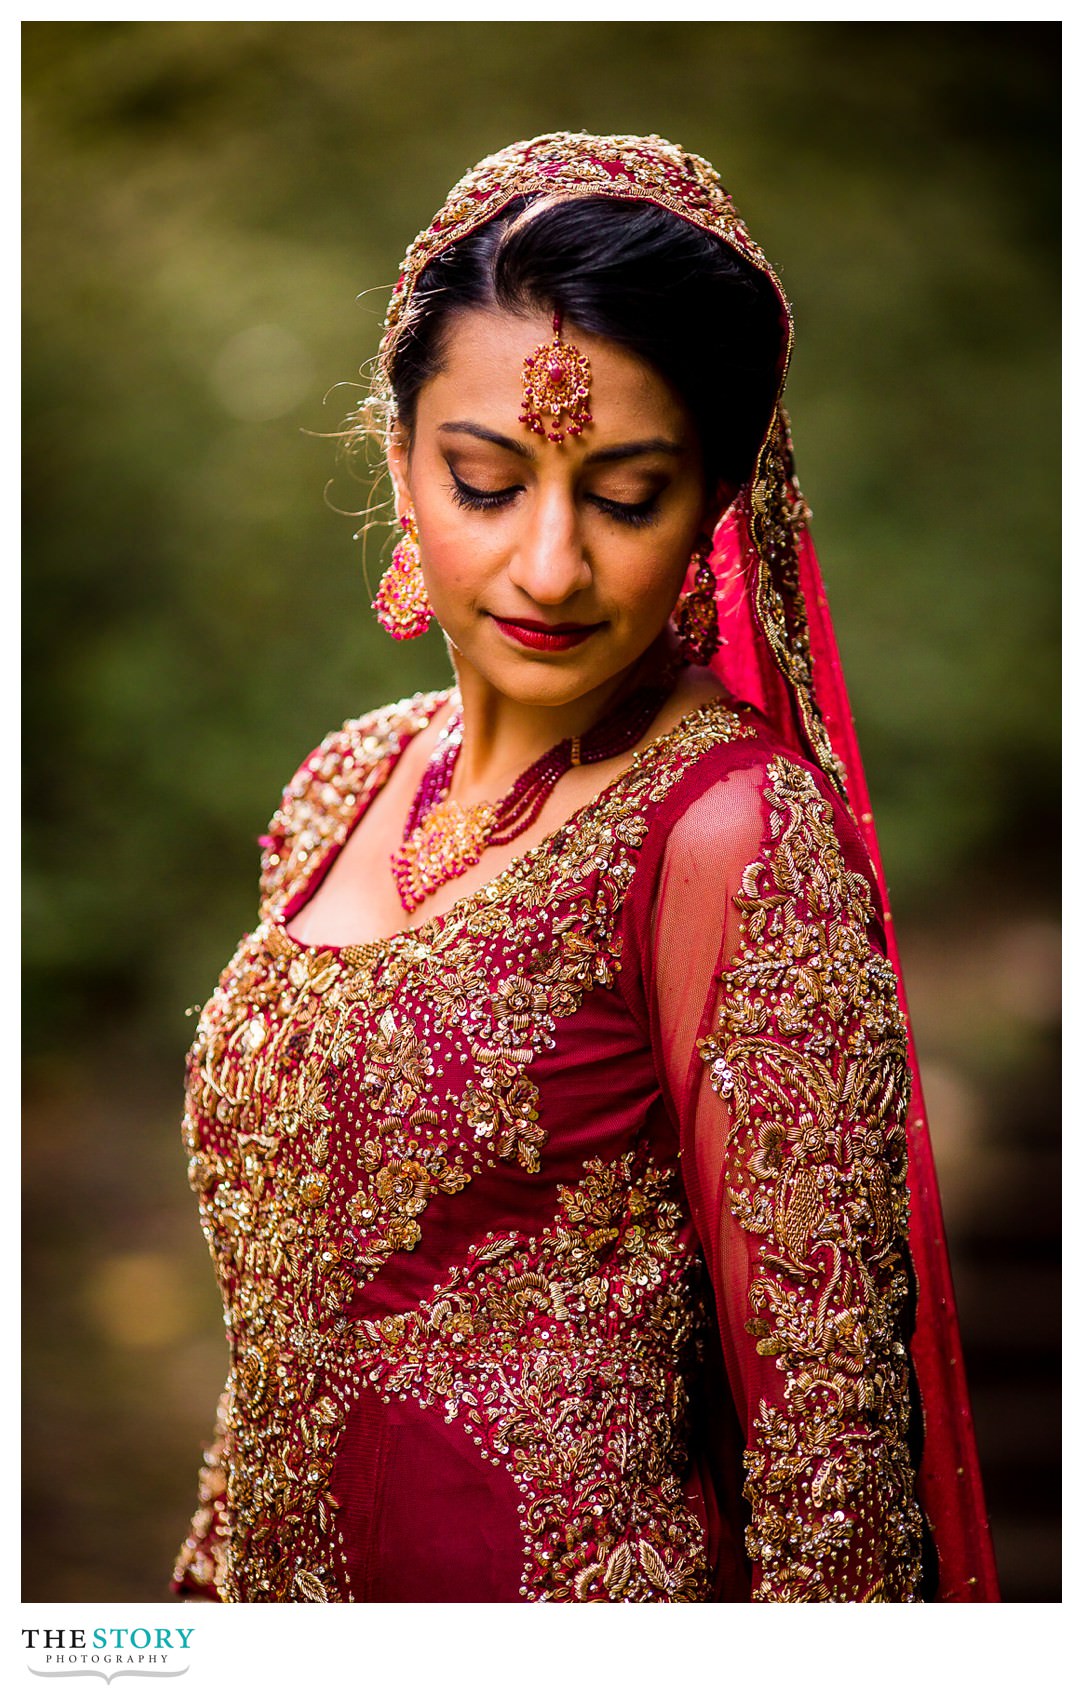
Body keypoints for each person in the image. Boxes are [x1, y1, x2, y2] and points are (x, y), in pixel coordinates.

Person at [171, 131, 998, 1603]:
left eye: (623, 498)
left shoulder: (731, 834)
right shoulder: (344, 785)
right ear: (399, 455)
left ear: (712, 517)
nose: (549, 567)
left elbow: (835, 1473)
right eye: (485, 481)